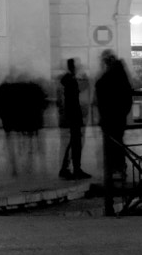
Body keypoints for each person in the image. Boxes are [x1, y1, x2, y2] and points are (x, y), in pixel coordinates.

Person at [93, 50, 133, 180]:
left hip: (111, 118)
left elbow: (101, 88)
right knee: (117, 143)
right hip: (117, 117)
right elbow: (127, 98)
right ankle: (119, 168)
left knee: (112, 144)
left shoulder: (110, 76)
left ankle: (115, 169)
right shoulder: (120, 74)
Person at [57, 58, 89, 180]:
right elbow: (75, 98)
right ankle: (75, 169)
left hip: (71, 115)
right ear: (73, 67)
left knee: (73, 142)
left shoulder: (67, 80)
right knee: (75, 143)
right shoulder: (71, 81)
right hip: (74, 115)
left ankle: (68, 168)